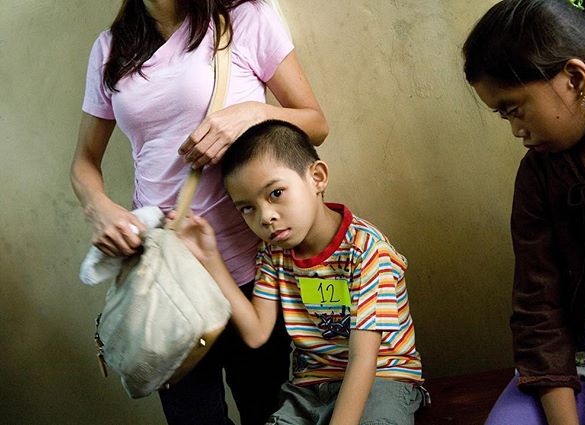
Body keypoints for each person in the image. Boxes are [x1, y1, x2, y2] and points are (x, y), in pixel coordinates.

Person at [70, 0, 328, 423]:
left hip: (254, 274)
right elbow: (83, 162)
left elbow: (315, 123)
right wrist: (99, 208)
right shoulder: (110, 50)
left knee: (269, 414)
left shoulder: (245, 18)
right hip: (167, 281)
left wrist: (252, 115)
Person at [168, 120, 425, 425]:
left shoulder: (367, 250)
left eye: (275, 193)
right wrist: (211, 257)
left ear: (317, 177)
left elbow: (363, 359)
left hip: (383, 379)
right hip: (310, 388)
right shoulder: (273, 255)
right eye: (247, 208)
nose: (266, 217)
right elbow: (256, 333)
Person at [462, 0, 585, 424]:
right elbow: (536, 308)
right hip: (569, 375)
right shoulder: (539, 175)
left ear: (576, 78)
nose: (515, 130)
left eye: (513, 108)